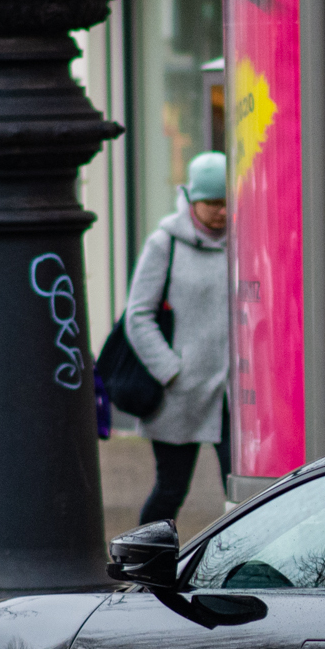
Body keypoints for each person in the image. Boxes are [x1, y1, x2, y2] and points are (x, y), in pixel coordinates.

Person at [124, 151, 234, 525]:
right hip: (179, 392)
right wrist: (172, 370)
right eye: (213, 203)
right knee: (171, 490)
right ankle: (142, 564)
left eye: (228, 202)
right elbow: (137, 316)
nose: (222, 211)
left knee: (240, 490)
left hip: (233, 393)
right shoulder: (164, 244)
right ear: (191, 199)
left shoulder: (246, 241)